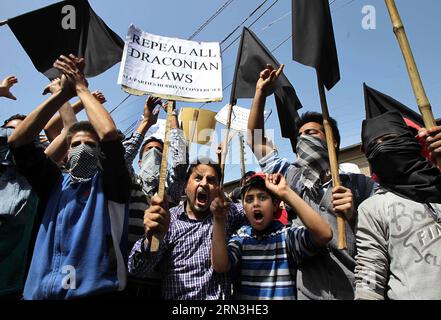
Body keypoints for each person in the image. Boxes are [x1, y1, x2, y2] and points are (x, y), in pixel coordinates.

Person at [247, 64, 375, 300]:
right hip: (308, 292)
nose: (304, 139)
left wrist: (354, 214)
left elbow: (379, 238)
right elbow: (255, 140)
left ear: (333, 142)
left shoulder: (361, 185)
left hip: (354, 290)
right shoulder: (293, 178)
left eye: (312, 133)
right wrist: (260, 93)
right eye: (301, 136)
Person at [8, 55, 131, 299]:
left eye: (89, 144)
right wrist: (62, 95)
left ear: (100, 154)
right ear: (66, 151)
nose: (82, 148)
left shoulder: (112, 186)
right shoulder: (54, 184)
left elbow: (108, 134)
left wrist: (81, 88)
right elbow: (18, 141)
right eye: (75, 144)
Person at [128, 159, 247, 300]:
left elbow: (257, 210)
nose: (204, 183)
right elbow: (137, 270)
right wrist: (152, 240)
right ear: (185, 186)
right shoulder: (168, 220)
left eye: (211, 180)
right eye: (198, 177)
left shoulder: (227, 212)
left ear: (218, 189)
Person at [355, 111, 441, 300]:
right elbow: (370, 270)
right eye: (373, 146)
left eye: (389, 139)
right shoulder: (373, 207)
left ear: (408, 141)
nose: (383, 149)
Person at [211, 172, 332, 299]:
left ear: (275, 205)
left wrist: (286, 192)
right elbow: (220, 266)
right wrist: (219, 220)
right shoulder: (241, 238)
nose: (256, 203)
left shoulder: (286, 237)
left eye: (262, 197)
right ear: (244, 209)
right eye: (249, 199)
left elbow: (324, 234)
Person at [124, 97, 187, 298]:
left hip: (158, 285)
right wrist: (146, 122)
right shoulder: (131, 186)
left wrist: (172, 115)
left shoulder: (169, 193)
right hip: (125, 279)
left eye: (159, 151)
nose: (154, 154)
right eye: (149, 150)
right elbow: (122, 158)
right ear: (140, 161)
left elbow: (179, 161)